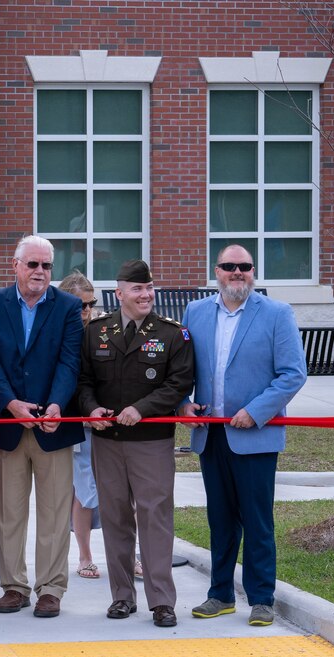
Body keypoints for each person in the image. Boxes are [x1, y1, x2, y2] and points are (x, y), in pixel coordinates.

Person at [179, 244, 307, 627]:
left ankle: (261, 598)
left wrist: (256, 411)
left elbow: (292, 374)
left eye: (245, 267)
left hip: (255, 435)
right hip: (211, 435)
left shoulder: (276, 314)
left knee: (257, 520)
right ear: (216, 271)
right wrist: (184, 404)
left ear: (253, 272)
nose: (238, 272)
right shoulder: (196, 312)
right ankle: (219, 594)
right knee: (219, 519)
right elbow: (182, 370)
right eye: (229, 266)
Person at [77, 260, 195, 628]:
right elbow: (82, 381)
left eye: (149, 288)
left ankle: (161, 601)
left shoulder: (173, 334)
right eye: (137, 289)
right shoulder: (96, 331)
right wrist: (92, 409)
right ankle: (122, 597)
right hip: (108, 440)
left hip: (151, 441)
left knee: (154, 518)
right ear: (120, 293)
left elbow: (178, 384)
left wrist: (141, 409)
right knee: (115, 518)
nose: (146, 295)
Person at [0, 235, 84, 618]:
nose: (40, 272)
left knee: (55, 513)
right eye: (33, 264)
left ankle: (50, 589)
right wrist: (9, 403)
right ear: (16, 266)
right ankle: (14, 587)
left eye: (46, 266)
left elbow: (71, 361)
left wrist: (56, 404)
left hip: (54, 426)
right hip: (7, 424)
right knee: (10, 512)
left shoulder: (69, 307)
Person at [57, 270, 103, 580]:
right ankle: (85, 556)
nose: (84, 312)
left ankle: (130, 552)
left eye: (89, 304)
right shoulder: (58, 332)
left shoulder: (103, 331)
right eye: (78, 306)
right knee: (84, 491)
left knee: (125, 494)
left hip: (106, 419)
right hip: (76, 422)